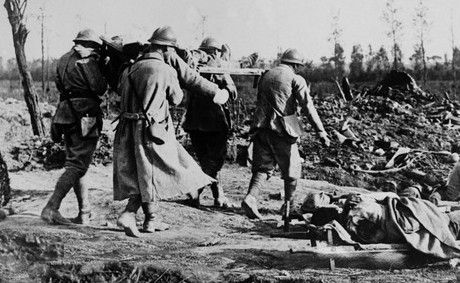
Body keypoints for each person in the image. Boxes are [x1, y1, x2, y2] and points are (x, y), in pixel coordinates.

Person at [113, 27, 228, 237]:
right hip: (151, 130)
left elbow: (120, 92)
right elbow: (176, 99)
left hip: (126, 129)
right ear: (166, 48)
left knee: (145, 172)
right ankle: (129, 213)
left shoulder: (129, 69)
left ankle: (151, 220)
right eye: (172, 51)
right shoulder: (165, 70)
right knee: (152, 172)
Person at [242, 48, 331, 221]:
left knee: (263, 167)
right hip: (283, 129)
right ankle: (288, 207)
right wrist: (321, 131)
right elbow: (308, 107)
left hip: (260, 127)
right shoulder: (295, 78)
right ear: (296, 65)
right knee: (292, 169)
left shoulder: (266, 75)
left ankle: (250, 197)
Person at [42, 29, 108, 225]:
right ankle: (51, 207)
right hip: (85, 115)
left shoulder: (63, 59)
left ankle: (84, 212)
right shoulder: (86, 60)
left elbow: (59, 86)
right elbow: (99, 88)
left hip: (64, 114)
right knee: (77, 165)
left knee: (78, 163)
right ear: (91, 45)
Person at [182, 37, 238, 208]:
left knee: (206, 160)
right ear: (215, 51)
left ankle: (218, 195)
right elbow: (232, 91)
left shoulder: (191, 67)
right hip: (214, 121)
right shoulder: (217, 65)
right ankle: (195, 191)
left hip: (193, 121)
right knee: (214, 160)